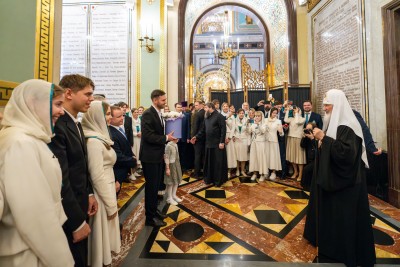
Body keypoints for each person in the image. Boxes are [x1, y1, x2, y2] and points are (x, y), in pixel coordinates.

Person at [0, 80, 74, 266]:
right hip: (29, 251)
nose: (61, 111)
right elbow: (34, 214)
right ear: (34, 103)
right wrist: (62, 260)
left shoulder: (31, 138)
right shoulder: (21, 143)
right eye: (57, 104)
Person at [303, 89, 375, 266]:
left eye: (328, 105)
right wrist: (321, 139)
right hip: (335, 182)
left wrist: (323, 139)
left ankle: (342, 250)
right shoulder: (335, 124)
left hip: (346, 186)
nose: (325, 108)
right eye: (325, 105)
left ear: (338, 105)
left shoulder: (348, 127)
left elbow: (345, 155)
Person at [49, 74, 98, 267]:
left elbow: (80, 165)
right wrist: (76, 221)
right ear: (69, 93)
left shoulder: (75, 122)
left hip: (81, 201)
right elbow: (61, 178)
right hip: (68, 213)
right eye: (88, 94)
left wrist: (89, 193)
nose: (92, 99)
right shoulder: (58, 125)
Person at [81, 101, 121, 266]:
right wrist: (111, 204)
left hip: (108, 186)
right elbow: (96, 175)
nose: (110, 118)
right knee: (101, 232)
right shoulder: (93, 142)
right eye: (107, 114)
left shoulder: (99, 137)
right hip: (102, 191)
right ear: (96, 116)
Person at [140, 89, 176, 227]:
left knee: (156, 187)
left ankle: (154, 211)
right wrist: (166, 138)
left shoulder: (158, 113)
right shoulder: (148, 114)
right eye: (163, 100)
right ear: (155, 100)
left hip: (157, 155)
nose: (165, 102)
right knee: (151, 188)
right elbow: (148, 136)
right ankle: (150, 218)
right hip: (149, 157)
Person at [191, 102, 227, 187]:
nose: (204, 110)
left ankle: (218, 181)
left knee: (217, 163)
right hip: (208, 144)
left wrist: (222, 142)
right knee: (209, 163)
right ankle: (209, 179)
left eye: (206, 108)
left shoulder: (219, 116)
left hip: (217, 144)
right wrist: (196, 137)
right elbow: (203, 130)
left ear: (211, 107)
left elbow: (223, 130)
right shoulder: (206, 116)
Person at [109, 106, 137, 188]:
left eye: (122, 116)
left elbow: (126, 145)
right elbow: (117, 157)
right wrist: (133, 160)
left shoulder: (119, 128)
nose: (122, 118)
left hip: (122, 171)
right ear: (110, 118)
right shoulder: (111, 133)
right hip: (117, 173)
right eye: (118, 117)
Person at [284, 105, 306, 181]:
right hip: (291, 138)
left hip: (298, 139)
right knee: (292, 157)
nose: (294, 112)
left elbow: (297, 122)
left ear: (300, 111)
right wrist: (287, 111)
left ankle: (300, 174)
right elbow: (285, 120)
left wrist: (297, 113)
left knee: (299, 158)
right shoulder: (291, 119)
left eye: (296, 111)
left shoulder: (303, 119)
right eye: (293, 111)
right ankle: (295, 172)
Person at [248, 111, 268, 181]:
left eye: (258, 116)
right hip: (254, 143)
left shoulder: (264, 124)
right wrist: (248, 125)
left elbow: (263, 131)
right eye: (256, 116)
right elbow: (249, 132)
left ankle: (262, 174)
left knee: (261, 158)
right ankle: (255, 173)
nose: (257, 117)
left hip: (261, 143)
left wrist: (258, 125)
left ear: (261, 117)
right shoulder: (253, 124)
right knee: (254, 158)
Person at [265, 108, 284, 180]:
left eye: (276, 113)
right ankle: (266, 170)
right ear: (270, 113)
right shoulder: (265, 120)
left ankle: (273, 172)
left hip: (274, 140)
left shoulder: (278, 121)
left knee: (273, 156)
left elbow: (282, 134)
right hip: (266, 140)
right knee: (266, 155)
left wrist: (281, 132)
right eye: (273, 113)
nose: (274, 114)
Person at [164, 138, 183, 205]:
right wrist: (167, 168)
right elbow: (166, 157)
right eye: (176, 137)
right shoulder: (168, 146)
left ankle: (173, 195)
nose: (178, 139)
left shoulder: (175, 145)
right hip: (171, 165)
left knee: (176, 181)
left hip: (176, 164)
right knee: (170, 182)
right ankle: (169, 198)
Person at [299, 122, 318, 190]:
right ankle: (305, 187)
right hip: (309, 159)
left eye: (309, 129)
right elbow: (302, 145)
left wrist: (312, 138)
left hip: (316, 160)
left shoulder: (317, 137)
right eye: (306, 129)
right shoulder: (307, 137)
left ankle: (308, 187)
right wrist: (304, 137)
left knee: (306, 170)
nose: (308, 131)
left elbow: (317, 148)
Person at [232, 108, 250, 177]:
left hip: (244, 140)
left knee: (243, 157)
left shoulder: (247, 120)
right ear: (237, 114)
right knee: (237, 156)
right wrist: (233, 136)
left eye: (243, 113)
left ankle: (242, 170)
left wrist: (248, 126)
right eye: (240, 113)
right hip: (236, 140)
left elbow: (248, 132)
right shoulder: (235, 120)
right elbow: (233, 130)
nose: (241, 114)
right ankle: (237, 170)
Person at [221, 102, 237, 177]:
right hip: (221, 136)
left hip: (229, 136)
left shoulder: (232, 116)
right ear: (222, 107)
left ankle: (229, 170)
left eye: (226, 106)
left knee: (229, 154)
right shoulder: (219, 115)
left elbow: (233, 127)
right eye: (224, 106)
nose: (225, 107)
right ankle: (222, 169)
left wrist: (230, 137)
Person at [191, 100, 206, 179]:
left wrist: (193, 137)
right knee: (203, 155)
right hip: (204, 137)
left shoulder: (197, 114)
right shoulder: (206, 113)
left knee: (197, 155)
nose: (195, 107)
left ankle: (196, 173)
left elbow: (195, 127)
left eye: (196, 105)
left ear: (201, 105)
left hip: (197, 138)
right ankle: (204, 172)